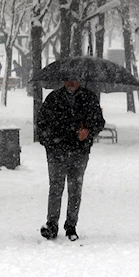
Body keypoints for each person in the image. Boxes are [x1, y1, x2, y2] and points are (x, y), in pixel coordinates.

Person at [37, 79, 105, 241]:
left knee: (75, 189)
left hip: (79, 151)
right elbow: (41, 123)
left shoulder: (89, 98)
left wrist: (88, 131)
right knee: (56, 188)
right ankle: (52, 224)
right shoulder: (53, 98)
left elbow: (99, 122)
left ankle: (71, 225)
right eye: (68, 80)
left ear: (80, 81)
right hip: (56, 151)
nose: (71, 83)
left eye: (74, 80)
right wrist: (49, 142)